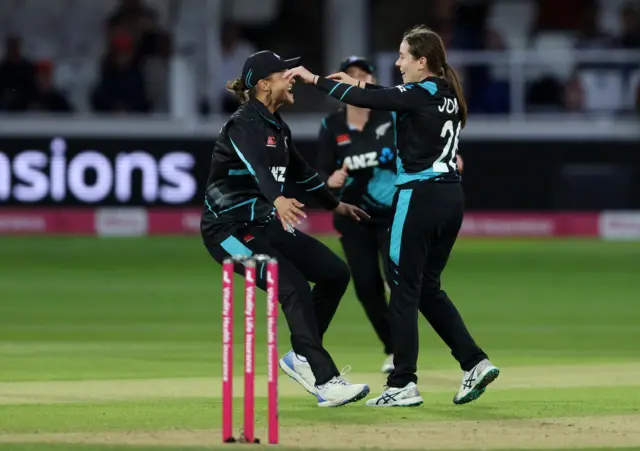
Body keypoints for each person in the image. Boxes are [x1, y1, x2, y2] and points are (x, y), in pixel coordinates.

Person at [285, 25, 498, 407]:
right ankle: (475, 362)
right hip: (451, 196)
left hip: (418, 196)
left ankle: (402, 382)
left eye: (403, 57)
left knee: (401, 289)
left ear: (422, 61)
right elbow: (385, 95)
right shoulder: (446, 91)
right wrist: (360, 85)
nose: (398, 64)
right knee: (427, 288)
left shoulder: (419, 92)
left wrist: (314, 79)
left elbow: (375, 100)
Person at [200, 50, 370, 407]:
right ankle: (325, 380)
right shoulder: (243, 123)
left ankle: (303, 358)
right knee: (289, 284)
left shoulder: (277, 126)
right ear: (263, 85)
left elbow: (304, 174)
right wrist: (277, 200)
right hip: (227, 231)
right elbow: (257, 166)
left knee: (334, 273)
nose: (291, 76)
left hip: (261, 222)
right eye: (283, 73)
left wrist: (334, 204)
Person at [316, 56, 396, 374]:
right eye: (349, 76)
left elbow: (421, 146)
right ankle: (393, 347)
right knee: (366, 288)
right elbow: (321, 169)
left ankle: (403, 351)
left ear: (372, 82)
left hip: (391, 215)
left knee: (399, 282)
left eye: (363, 75)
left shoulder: (391, 117)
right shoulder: (331, 126)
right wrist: (329, 181)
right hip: (353, 219)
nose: (356, 80)